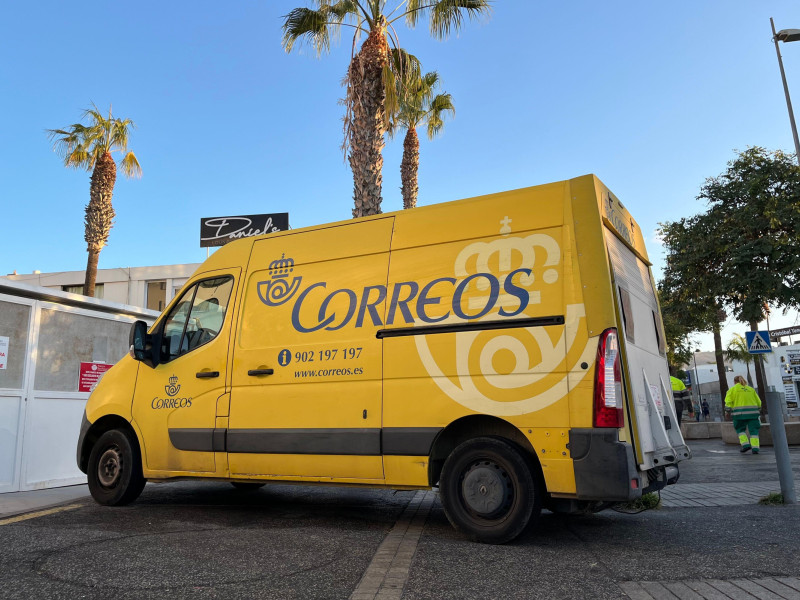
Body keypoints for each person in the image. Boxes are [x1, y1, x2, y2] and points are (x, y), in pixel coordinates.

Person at [725, 375, 762, 454]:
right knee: (754, 431)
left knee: (740, 430)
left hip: (739, 415)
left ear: (735, 382)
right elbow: (759, 402)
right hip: (753, 414)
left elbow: (728, 402)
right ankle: (755, 448)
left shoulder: (732, 390)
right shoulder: (751, 389)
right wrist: (758, 409)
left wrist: (727, 411)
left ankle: (745, 445)